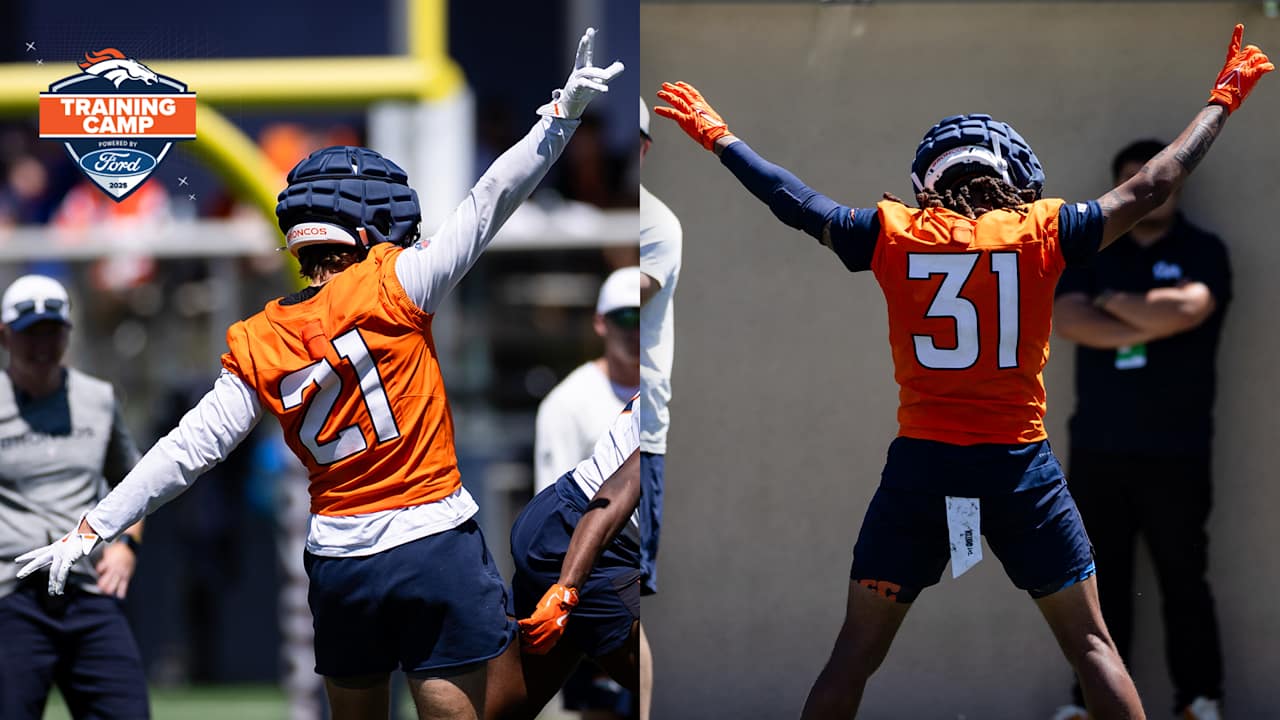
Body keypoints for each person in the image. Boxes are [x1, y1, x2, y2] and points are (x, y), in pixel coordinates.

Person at [653, 23, 1270, 720]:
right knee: (1094, 647)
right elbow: (1153, 186)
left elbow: (794, 201)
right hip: (1018, 469)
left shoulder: (893, 233)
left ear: (929, 181)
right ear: (1012, 176)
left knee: (853, 655)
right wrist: (1222, 100)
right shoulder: (1043, 231)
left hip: (922, 468)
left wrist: (718, 137)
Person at [15, 27, 624, 720]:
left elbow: (184, 453)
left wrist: (93, 526)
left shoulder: (258, 337)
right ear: (368, 224)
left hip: (341, 563)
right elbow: (490, 200)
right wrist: (561, 117)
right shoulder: (396, 281)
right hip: (431, 542)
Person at [1049, 140, 1231, 720]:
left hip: (1178, 449)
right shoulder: (1090, 253)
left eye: (1160, 180)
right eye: (1139, 182)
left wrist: (1114, 308)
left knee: (1184, 577)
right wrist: (1148, 317)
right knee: (1096, 586)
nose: (1152, 191)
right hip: (1100, 447)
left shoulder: (1204, 250)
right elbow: (1071, 321)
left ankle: (1199, 701)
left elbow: (1188, 308)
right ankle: (1090, 705)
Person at [0, 273, 148, 720]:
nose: (42, 345)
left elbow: (137, 482)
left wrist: (127, 548)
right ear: (5, 335)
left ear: (67, 333)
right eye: (31, 334)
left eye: (52, 331)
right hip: (12, 592)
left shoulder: (97, 398)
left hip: (86, 589)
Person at [485, 396, 642, 720]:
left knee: (501, 711)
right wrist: (567, 588)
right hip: (587, 539)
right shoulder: (702, 392)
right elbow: (622, 487)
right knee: (687, 684)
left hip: (568, 528)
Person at [534, 265, 642, 496]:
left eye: (647, 317)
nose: (637, 330)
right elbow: (555, 503)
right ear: (600, 323)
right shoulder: (566, 403)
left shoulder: (671, 390)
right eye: (625, 317)